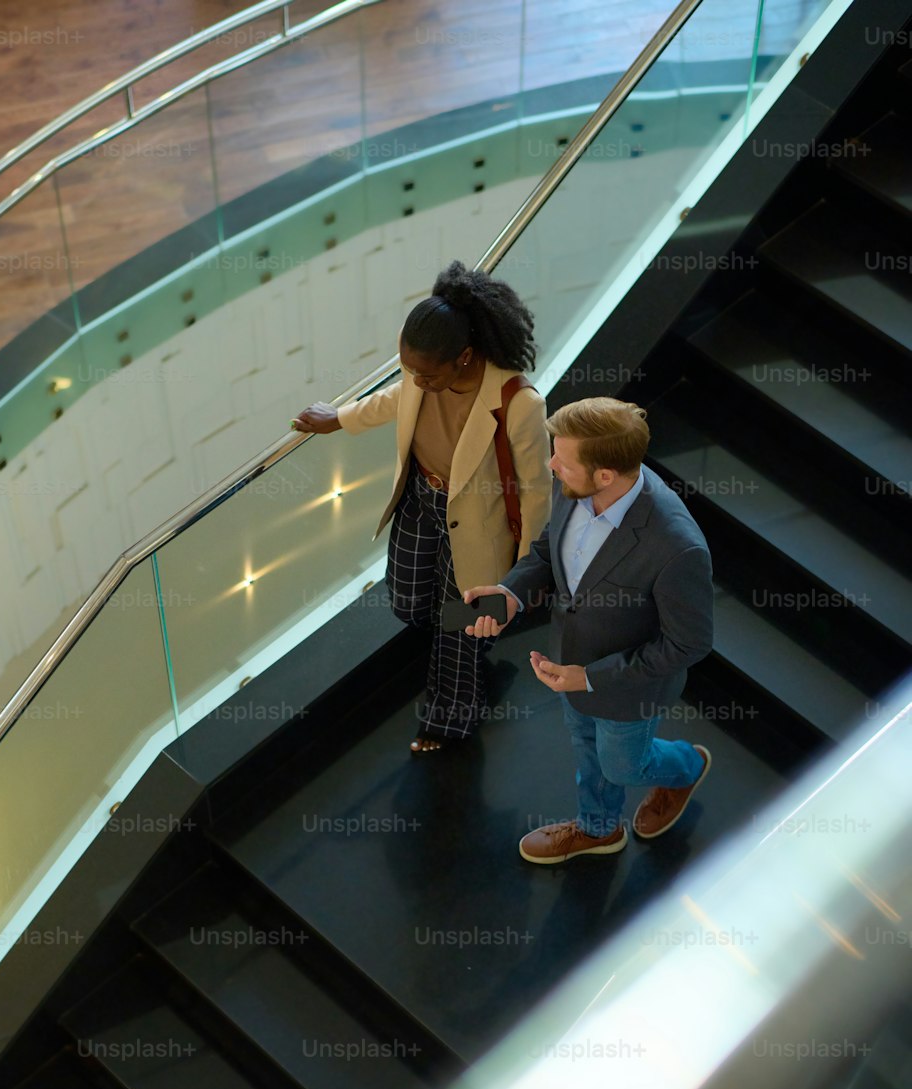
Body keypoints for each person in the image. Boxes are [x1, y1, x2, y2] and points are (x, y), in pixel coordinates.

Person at [293, 261, 551, 754]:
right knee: (409, 602)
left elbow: (538, 490)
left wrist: (523, 575)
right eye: (409, 368)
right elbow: (395, 399)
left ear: (465, 357)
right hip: (420, 500)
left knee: (454, 627)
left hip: (479, 527)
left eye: (426, 374)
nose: (415, 380)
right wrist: (339, 419)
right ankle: (476, 636)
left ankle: (449, 718)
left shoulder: (518, 402)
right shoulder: (421, 374)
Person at [463, 396, 714, 862]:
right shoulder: (572, 485)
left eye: (562, 457)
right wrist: (511, 594)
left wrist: (591, 676)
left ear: (605, 475)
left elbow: (689, 643)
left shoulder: (677, 547)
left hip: (626, 686)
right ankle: (599, 829)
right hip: (567, 660)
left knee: (623, 764)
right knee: (586, 749)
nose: (550, 463)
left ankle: (687, 765)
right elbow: (546, 550)